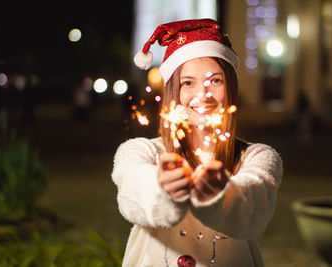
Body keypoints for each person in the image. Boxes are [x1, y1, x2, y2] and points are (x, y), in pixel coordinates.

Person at [111, 19, 283, 267]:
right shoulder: (142, 151)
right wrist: (162, 187)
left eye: (215, 80)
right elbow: (132, 191)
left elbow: (254, 203)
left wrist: (221, 194)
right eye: (188, 83)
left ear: (230, 87)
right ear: (173, 91)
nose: (203, 95)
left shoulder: (256, 157)